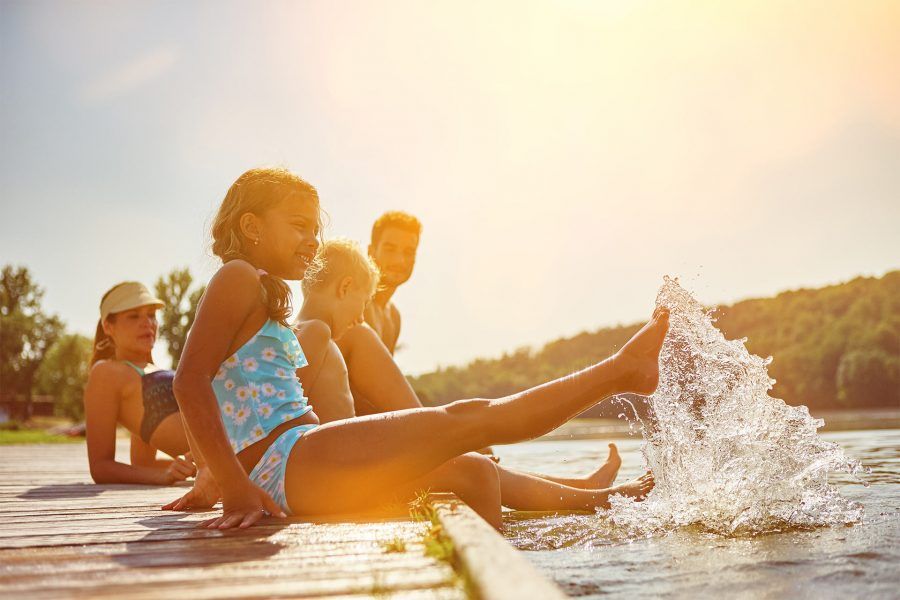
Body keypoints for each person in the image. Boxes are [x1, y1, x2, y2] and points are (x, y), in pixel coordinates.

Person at [165, 167, 667, 530]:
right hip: (290, 461)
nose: (312, 241)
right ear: (251, 227)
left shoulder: (259, 289)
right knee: (467, 418)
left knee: (471, 470)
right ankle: (621, 372)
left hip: (298, 460)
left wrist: (216, 473)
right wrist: (233, 485)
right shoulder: (237, 277)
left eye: (316, 230)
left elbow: (217, 387)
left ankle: (522, 552)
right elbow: (189, 381)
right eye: (300, 226)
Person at [295, 237, 625, 492]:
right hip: (343, 468)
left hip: (353, 456)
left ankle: (579, 488)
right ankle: (585, 492)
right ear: (346, 286)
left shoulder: (378, 320)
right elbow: (291, 413)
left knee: (468, 463)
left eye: (407, 251)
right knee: (467, 465)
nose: (359, 316)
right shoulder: (330, 332)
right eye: (390, 248)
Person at [84, 282, 195, 484]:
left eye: (151, 315)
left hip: (240, 446)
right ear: (108, 326)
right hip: (240, 456)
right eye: (134, 316)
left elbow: (143, 463)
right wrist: (163, 476)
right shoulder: (106, 372)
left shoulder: (153, 370)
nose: (147, 323)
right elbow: (100, 466)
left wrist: (179, 467)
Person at [336, 211, 420, 416]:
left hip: (375, 424)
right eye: (390, 249)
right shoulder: (352, 304)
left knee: (483, 448)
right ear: (372, 252)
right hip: (336, 422)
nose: (400, 260)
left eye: (409, 252)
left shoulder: (393, 316)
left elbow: (384, 390)